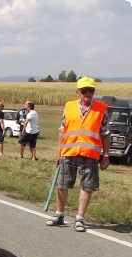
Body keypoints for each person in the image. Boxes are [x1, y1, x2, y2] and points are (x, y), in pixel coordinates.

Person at [46, 77, 110, 232]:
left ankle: (80, 219)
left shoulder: (101, 108)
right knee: (62, 184)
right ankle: (59, 215)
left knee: (87, 186)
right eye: (84, 91)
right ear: (77, 92)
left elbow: (106, 133)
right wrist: (58, 153)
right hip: (68, 152)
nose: (88, 93)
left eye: (91, 90)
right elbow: (62, 131)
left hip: (90, 153)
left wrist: (106, 155)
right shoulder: (69, 107)